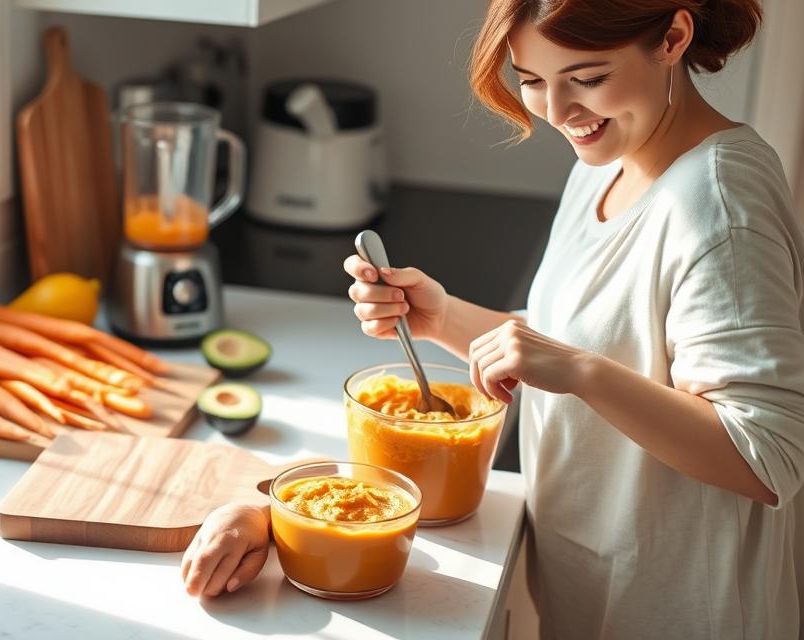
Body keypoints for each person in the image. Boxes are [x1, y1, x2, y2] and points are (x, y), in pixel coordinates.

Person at [181, 1, 804, 637]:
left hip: (687, 611)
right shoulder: (610, 160)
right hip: (590, 585)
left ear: (672, 38)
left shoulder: (720, 204)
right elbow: (578, 337)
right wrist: (441, 318)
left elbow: (767, 457)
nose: (559, 113)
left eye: (587, 78)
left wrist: (582, 372)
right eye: (532, 80)